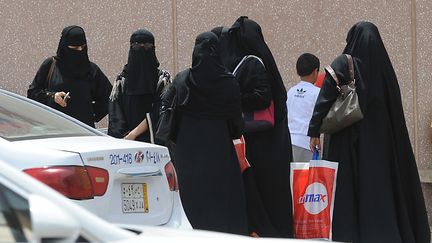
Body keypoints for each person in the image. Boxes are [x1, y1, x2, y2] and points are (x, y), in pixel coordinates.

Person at [308, 21, 430, 243]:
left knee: (348, 190)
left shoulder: (344, 63)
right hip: (380, 147)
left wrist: (314, 132)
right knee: (377, 189)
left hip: (347, 143)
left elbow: (324, 98)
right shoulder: (385, 71)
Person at [213, 16, 293, 238]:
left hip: (264, 140)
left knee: (266, 189)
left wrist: (235, 99)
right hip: (268, 141)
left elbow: (263, 96)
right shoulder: (260, 60)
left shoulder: (254, 62)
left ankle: (269, 231)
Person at [161, 31, 248, 235]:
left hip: (187, 155)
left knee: (192, 206)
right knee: (221, 208)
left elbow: (171, 116)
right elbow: (237, 127)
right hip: (220, 155)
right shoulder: (228, 82)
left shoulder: (182, 79)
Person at [27, 25, 112, 128]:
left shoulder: (91, 70)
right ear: (64, 46)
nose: (80, 50)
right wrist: (52, 97)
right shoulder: (51, 65)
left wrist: (90, 112)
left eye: (83, 47)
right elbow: (32, 93)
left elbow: (109, 97)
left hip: (83, 131)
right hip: (53, 129)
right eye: (75, 48)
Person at [108, 29, 171, 142]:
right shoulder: (122, 80)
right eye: (137, 46)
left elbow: (161, 111)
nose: (142, 49)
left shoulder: (162, 79)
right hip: (128, 144)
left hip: (155, 145)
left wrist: (135, 133)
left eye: (147, 46)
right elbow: (116, 117)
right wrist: (124, 139)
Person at [287, 53, 320, 162]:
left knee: (291, 178)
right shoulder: (317, 93)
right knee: (306, 178)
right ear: (315, 71)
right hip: (306, 143)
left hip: (289, 141)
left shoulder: (290, 92)